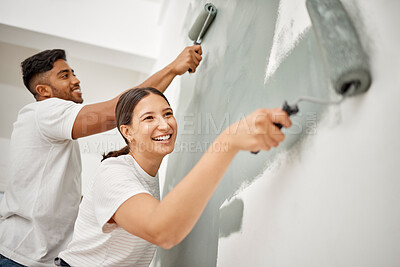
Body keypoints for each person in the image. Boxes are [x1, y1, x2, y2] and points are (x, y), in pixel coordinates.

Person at [0, 46, 202, 267]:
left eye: (73, 73)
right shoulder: (41, 113)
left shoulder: (54, 137)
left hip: (37, 257)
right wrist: (174, 67)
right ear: (44, 91)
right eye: (64, 75)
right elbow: (115, 112)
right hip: (20, 257)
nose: (76, 80)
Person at [56, 87, 292, 266]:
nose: (164, 125)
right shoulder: (114, 173)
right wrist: (228, 141)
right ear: (127, 132)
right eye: (149, 118)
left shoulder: (148, 173)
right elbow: (163, 231)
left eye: (167, 114)